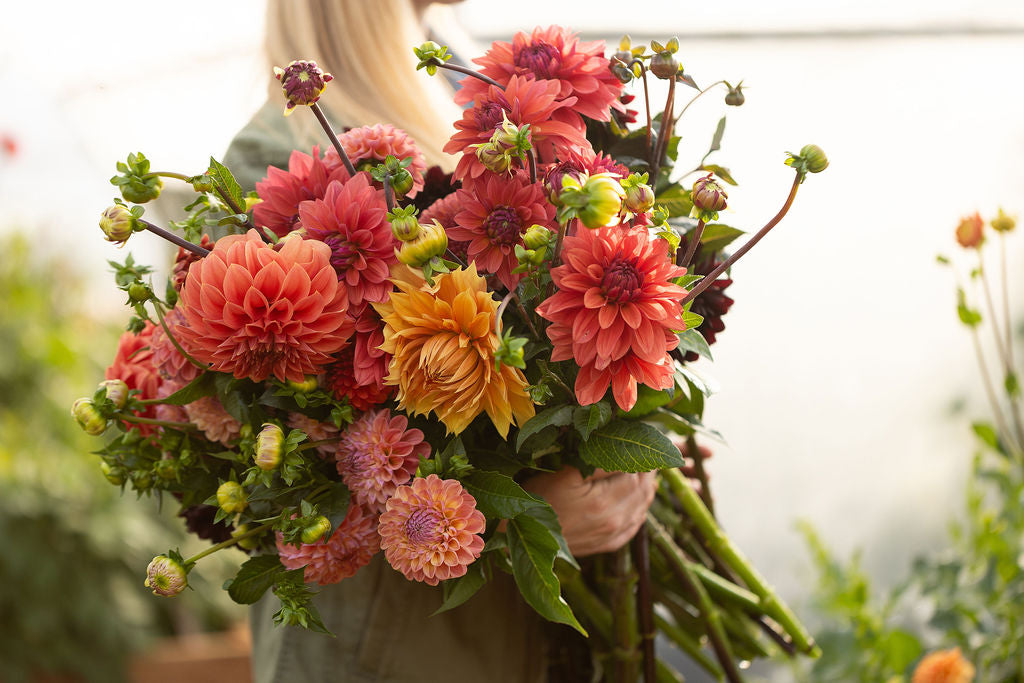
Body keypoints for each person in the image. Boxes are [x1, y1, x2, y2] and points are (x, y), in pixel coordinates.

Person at [224, 2, 658, 681]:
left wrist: (640, 419)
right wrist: (520, 522)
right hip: (384, 655)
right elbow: (284, 464)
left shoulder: (450, 88)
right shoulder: (277, 160)